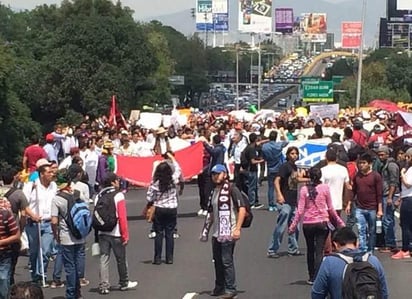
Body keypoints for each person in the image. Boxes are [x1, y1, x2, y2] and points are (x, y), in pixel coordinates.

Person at [289, 167, 345, 284]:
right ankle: (318, 276)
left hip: (308, 223)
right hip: (321, 222)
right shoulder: (324, 188)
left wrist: (293, 225)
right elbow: (330, 208)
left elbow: (300, 210)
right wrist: (339, 221)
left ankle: (311, 276)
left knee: (310, 250)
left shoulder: (304, 190)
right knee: (319, 251)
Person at [200, 164, 246, 299]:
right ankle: (219, 287)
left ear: (225, 174)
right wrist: (205, 231)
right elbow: (212, 213)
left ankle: (231, 289)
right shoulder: (214, 191)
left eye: (218, 173)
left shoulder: (232, 189)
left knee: (227, 261)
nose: (215, 176)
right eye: (213, 174)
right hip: (217, 233)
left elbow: (242, 209)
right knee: (217, 261)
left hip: (229, 231)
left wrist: (237, 228)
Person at [311, 227, 389, 299]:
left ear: (335, 244)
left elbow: (317, 293)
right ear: (357, 243)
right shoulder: (373, 260)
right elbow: (384, 293)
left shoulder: (329, 262)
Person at [96, 172, 137, 294]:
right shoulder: (118, 195)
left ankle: (104, 285)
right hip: (116, 232)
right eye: (117, 180)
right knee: (121, 259)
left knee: (104, 259)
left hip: (102, 232)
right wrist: (125, 235)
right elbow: (122, 217)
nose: (119, 182)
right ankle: (124, 282)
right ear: (113, 182)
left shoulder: (99, 195)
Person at [0, 169, 40, 285]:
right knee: (10, 264)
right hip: (12, 231)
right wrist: (21, 229)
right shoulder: (18, 193)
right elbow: (23, 213)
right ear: (14, 178)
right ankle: (8, 286)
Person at [51, 170, 86, 299]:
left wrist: (56, 235)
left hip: (66, 236)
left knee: (70, 267)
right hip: (80, 234)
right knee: (78, 264)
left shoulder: (57, 199)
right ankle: (78, 292)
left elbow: (54, 221)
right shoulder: (78, 194)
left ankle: (70, 294)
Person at [267, 146, 307, 258]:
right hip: (285, 200)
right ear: (288, 155)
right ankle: (272, 249)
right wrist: (279, 194)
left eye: (296, 153)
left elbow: (297, 180)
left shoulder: (295, 167)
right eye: (292, 153)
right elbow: (277, 180)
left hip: (293, 200)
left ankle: (293, 248)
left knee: (294, 226)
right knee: (281, 226)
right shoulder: (285, 166)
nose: (294, 155)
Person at [22, 158, 57, 285]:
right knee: (34, 251)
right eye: (49, 172)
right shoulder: (31, 185)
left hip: (48, 222)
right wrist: (32, 215)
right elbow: (24, 204)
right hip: (34, 223)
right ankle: (34, 274)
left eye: (52, 172)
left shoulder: (54, 186)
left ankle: (41, 274)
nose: (52, 174)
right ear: (42, 174)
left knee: (46, 250)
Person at [346, 153, 383, 253]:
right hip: (360, 208)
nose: (361, 165)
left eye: (364, 163)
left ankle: (370, 250)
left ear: (369, 164)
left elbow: (379, 194)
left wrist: (380, 209)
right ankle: (362, 249)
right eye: (360, 163)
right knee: (361, 229)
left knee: (372, 230)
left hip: (372, 208)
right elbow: (353, 192)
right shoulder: (357, 176)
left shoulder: (376, 176)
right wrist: (349, 204)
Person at [146, 161, 179, 265]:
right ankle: (169, 258)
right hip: (172, 208)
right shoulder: (173, 181)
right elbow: (178, 169)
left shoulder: (155, 184)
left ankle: (157, 258)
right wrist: (172, 158)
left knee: (159, 233)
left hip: (160, 208)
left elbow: (149, 197)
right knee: (170, 233)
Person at [376, 145, 400, 252]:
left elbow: (393, 182)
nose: (380, 156)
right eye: (379, 154)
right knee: (385, 220)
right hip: (385, 194)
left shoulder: (391, 165)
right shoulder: (384, 165)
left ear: (387, 154)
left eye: (382, 154)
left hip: (389, 195)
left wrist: (390, 197)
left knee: (388, 220)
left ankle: (390, 244)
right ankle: (387, 242)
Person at [261, 130, 288, 212]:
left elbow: (264, 157)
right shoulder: (278, 145)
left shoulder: (264, 146)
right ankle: (280, 201)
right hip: (279, 167)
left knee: (271, 187)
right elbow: (287, 141)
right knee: (280, 185)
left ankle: (271, 204)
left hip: (270, 167)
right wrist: (283, 133)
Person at [392, 147, 412, 259]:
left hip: (409, 199)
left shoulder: (410, 170)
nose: (406, 159)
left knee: (405, 225)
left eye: (408, 157)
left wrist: (402, 174)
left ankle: (405, 249)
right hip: (406, 197)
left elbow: (408, 184)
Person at [0, 199, 20, 298]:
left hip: (4, 253)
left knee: (3, 279)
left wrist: (1, 242)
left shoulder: (5, 215)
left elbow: (16, 236)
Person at [243, 133, 265, 209]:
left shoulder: (249, 146)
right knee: (252, 187)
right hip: (251, 169)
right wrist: (261, 161)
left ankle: (255, 202)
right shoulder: (252, 149)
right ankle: (251, 203)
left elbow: (259, 143)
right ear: (255, 139)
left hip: (251, 169)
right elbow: (252, 161)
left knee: (254, 186)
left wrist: (266, 140)